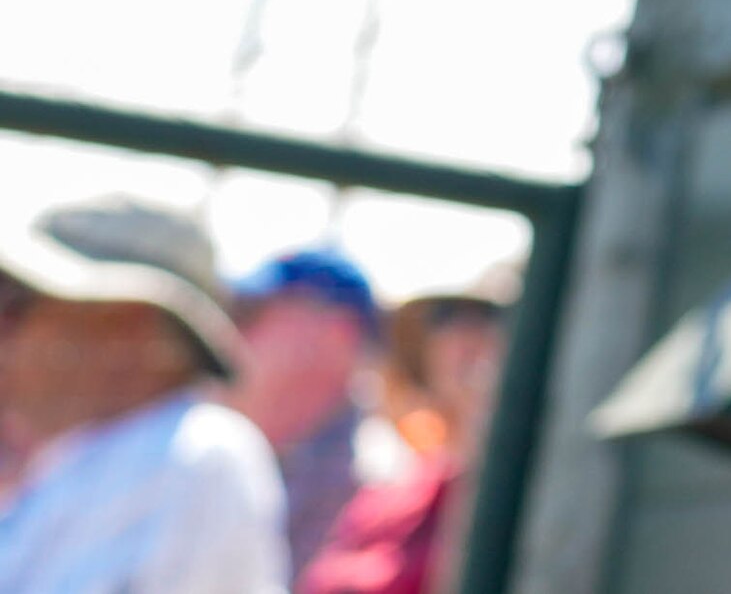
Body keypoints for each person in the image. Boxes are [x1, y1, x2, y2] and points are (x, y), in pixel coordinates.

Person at [0, 198, 284, 594]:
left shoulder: (196, 457)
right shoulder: (88, 458)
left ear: (129, 326)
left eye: (16, 302)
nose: (3, 328)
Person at [292, 264, 509, 594]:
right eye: (446, 317)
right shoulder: (393, 497)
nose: (465, 337)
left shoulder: (544, 496)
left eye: (491, 317)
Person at [218, 261, 392, 576]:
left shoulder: (378, 484)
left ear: (338, 334)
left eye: (249, 312)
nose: (232, 331)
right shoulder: (241, 447)